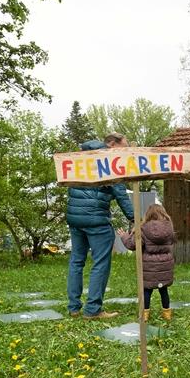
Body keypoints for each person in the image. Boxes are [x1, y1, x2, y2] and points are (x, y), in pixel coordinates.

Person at [66, 133, 135, 320]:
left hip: (75, 218)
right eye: (124, 147)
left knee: (76, 261)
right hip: (96, 220)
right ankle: (93, 309)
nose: (125, 151)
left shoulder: (79, 158)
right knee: (100, 262)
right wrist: (134, 218)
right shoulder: (110, 162)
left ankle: (73, 308)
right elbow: (121, 194)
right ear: (112, 144)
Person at [118, 203, 176, 322]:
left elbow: (132, 245)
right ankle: (167, 314)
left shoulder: (143, 228)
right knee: (163, 290)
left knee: (147, 290)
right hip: (165, 264)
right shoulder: (169, 227)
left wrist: (125, 236)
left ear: (148, 214)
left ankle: (144, 316)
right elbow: (173, 241)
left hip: (148, 265)